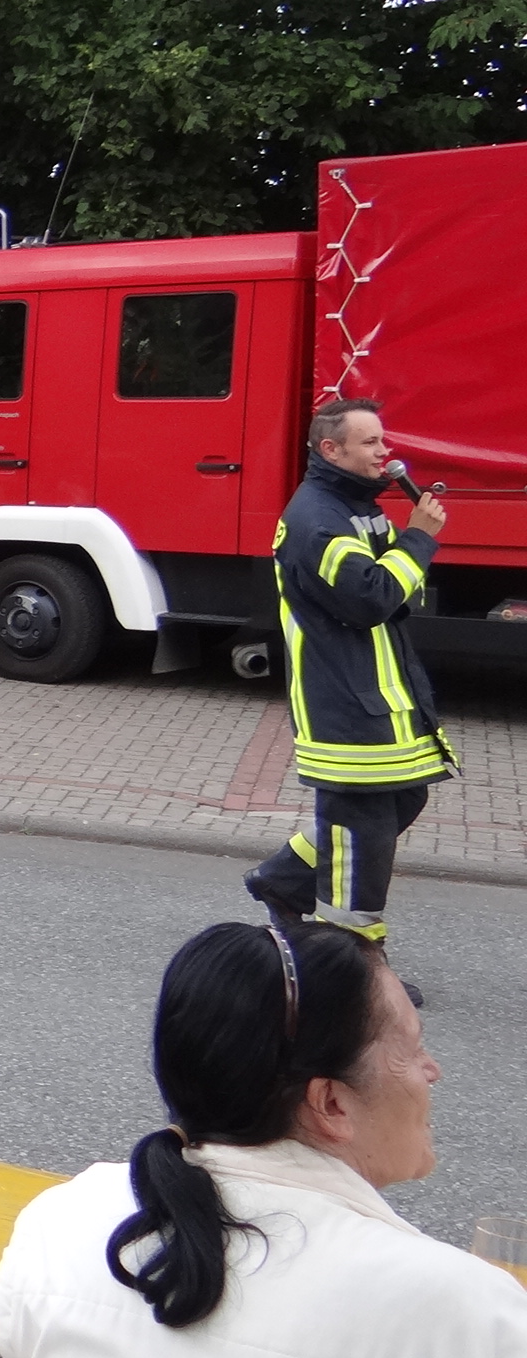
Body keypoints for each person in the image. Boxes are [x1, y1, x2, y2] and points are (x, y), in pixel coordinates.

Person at [0, 919, 527, 1358]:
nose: (432, 1070)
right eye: (414, 1048)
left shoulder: (63, 1221)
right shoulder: (474, 1319)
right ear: (330, 1103)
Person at [244, 398, 453, 954]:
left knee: (403, 799)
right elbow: (371, 599)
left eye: (384, 440)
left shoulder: (357, 508)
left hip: (378, 692)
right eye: (371, 442)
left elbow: (395, 593)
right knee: (362, 827)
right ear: (331, 449)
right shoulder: (317, 521)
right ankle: (350, 961)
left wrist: (408, 549)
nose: (385, 453)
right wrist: (418, 539)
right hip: (340, 700)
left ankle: (283, 880)